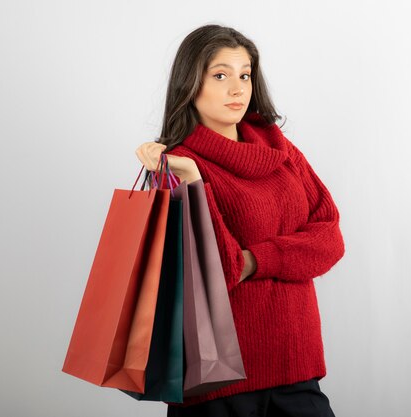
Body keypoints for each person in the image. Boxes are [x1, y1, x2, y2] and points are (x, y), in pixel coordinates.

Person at [135, 24, 345, 417]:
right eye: (220, 75)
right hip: (218, 380)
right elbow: (217, 268)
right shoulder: (178, 166)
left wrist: (256, 261)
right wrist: (192, 181)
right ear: (190, 83)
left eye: (245, 74)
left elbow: (330, 240)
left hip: (296, 366)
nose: (238, 89)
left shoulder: (280, 149)